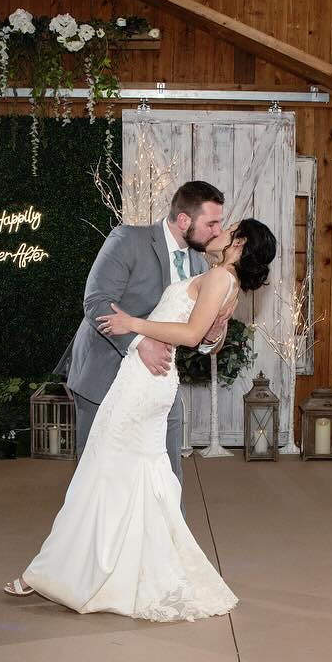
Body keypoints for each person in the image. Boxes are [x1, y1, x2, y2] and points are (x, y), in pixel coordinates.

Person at [5, 219, 278, 622]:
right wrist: (209, 332)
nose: (218, 232)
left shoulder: (221, 277)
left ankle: (61, 574)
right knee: (131, 476)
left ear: (239, 244)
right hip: (145, 379)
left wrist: (131, 323)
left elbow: (191, 335)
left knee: (100, 472)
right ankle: (107, 572)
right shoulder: (223, 279)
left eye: (229, 229)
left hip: (144, 383)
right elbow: (206, 334)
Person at [54, 181, 235, 484]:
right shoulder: (127, 239)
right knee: (99, 476)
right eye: (211, 223)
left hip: (159, 381)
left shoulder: (198, 264)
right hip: (103, 372)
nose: (218, 231)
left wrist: (214, 333)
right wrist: (140, 342)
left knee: (167, 475)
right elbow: (96, 302)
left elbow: (195, 336)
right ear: (184, 220)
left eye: (220, 223)